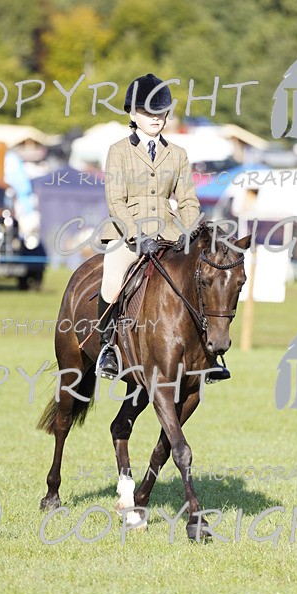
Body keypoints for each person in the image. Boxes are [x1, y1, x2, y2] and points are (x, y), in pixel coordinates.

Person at [95, 73, 230, 382]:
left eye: (160, 112)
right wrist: (137, 236)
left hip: (169, 235)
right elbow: (115, 199)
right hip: (126, 234)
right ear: (132, 113)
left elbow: (187, 199)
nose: (155, 118)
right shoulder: (119, 151)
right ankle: (108, 350)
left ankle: (210, 356)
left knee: (201, 281)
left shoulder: (178, 154)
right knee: (112, 283)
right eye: (147, 112)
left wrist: (185, 231)